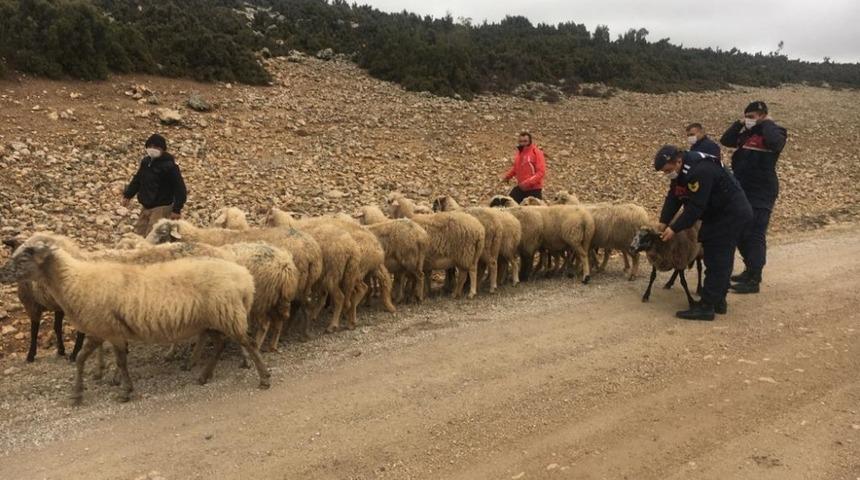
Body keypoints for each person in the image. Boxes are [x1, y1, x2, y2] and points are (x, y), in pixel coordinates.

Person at [653, 145, 753, 321]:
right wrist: (663, 221)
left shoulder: (700, 170)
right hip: (718, 214)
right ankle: (718, 302)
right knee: (717, 256)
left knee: (717, 258)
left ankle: (707, 307)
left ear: (677, 161)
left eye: (667, 170)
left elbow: (695, 207)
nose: (667, 174)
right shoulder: (684, 169)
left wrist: (674, 228)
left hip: (730, 214)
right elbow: (674, 196)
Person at [719, 101, 787, 294]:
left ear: (763, 115)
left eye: (752, 116)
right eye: (747, 116)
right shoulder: (746, 133)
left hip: (762, 191)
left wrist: (766, 123)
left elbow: (776, 144)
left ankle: (754, 278)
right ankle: (749, 269)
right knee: (739, 230)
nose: (749, 119)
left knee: (755, 233)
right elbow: (726, 140)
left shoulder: (775, 131)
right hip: (742, 189)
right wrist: (739, 123)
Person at [122, 134, 187, 236]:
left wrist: (177, 209)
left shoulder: (170, 167)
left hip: (161, 208)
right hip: (146, 206)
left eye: (156, 147)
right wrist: (128, 195)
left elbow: (180, 189)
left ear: (162, 149)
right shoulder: (146, 162)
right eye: (150, 147)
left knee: (153, 237)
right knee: (139, 234)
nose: (152, 149)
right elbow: (138, 179)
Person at [500, 132, 546, 203]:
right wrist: (507, 177)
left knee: (534, 212)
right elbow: (516, 168)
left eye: (525, 141)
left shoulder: (536, 152)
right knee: (508, 204)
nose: (523, 143)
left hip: (533, 189)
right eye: (521, 141)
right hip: (522, 187)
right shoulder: (519, 154)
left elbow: (541, 172)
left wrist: (528, 183)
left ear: (530, 141)